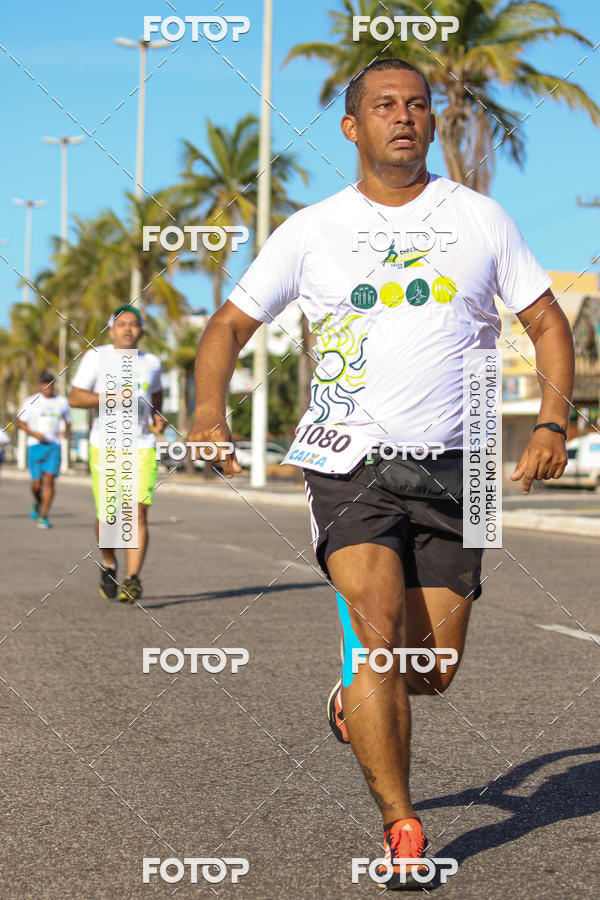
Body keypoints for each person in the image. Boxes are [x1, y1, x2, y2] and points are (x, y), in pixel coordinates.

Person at [188, 59, 574, 889]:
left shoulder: (481, 219)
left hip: (461, 466)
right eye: (383, 106)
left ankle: (348, 705)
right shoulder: (311, 230)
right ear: (352, 128)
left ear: (434, 124)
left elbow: (546, 321)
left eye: (418, 105)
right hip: (346, 459)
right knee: (377, 639)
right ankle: (403, 825)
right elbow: (226, 325)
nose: (404, 116)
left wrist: (552, 418)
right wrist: (206, 414)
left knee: (431, 669)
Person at [68, 305, 165, 603]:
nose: (127, 329)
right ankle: (109, 562)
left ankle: (132, 580)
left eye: (133, 325)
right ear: (111, 331)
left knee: (137, 510)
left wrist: (158, 416)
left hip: (141, 446)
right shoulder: (96, 357)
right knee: (108, 518)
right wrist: (110, 397)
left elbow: (157, 395)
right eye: (121, 324)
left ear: (141, 331)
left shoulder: (152, 363)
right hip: (105, 446)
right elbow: (75, 397)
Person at [17, 373, 71, 529]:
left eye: (51, 383)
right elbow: (21, 423)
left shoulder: (62, 402)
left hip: (54, 446)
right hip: (35, 446)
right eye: (45, 383)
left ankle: (43, 516)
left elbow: (67, 421)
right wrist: (35, 434)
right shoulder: (31, 401)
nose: (48, 386)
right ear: (40, 386)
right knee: (36, 484)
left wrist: (65, 432)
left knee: (50, 479)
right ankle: (38, 502)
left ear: (54, 385)